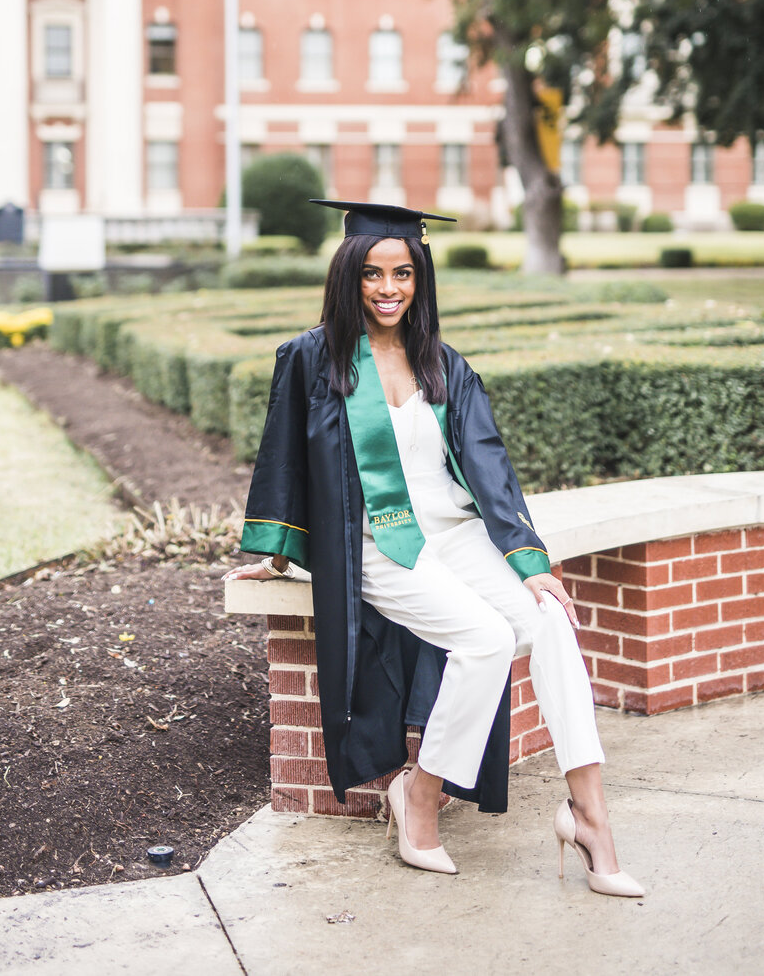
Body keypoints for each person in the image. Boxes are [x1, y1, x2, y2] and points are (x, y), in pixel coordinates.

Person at [228, 200, 644, 895]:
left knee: (549, 622)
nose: (389, 288)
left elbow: (489, 469)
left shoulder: (441, 364)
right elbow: (283, 465)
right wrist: (276, 553)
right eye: (372, 273)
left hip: (457, 536)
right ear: (346, 277)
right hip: (379, 545)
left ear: (420, 278)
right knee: (483, 637)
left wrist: (529, 562)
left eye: (403, 273)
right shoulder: (310, 359)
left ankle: (592, 817)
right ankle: (421, 794)